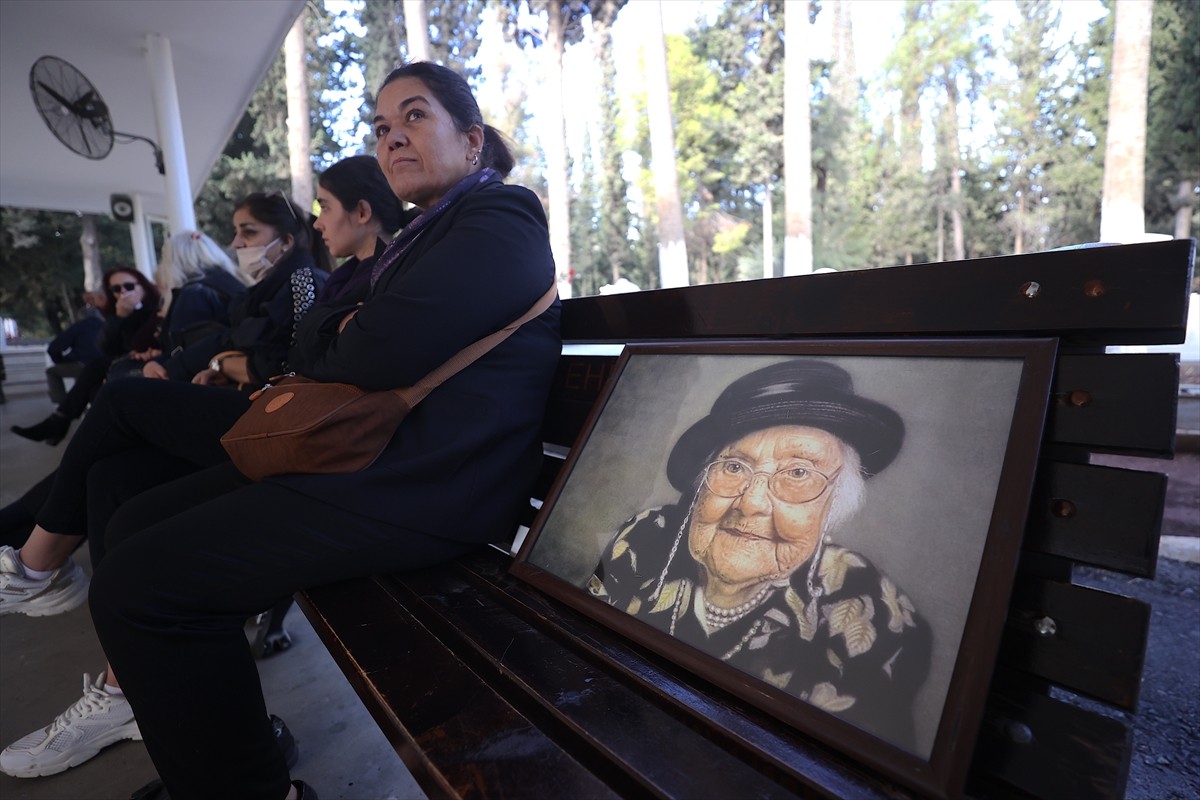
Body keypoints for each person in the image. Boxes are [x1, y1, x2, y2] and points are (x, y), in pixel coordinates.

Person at [4, 62, 560, 800]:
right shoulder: (424, 237)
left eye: (415, 117)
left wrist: (350, 332)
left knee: (143, 584)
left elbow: (370, 351)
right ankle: (218, 752)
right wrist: (348, 331)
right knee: (131, 507)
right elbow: (317, 346)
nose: (393, 137)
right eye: (382, 127)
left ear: (473, 139)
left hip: (426, 485)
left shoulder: (504, 216)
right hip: (367, 461)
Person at [589, 360, 931, 751]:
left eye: (798, 473)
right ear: (702, 484)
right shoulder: (646, 536)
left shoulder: (869, 607)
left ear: (835, 505)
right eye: (734, 466)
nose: (751, 503)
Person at [12, 269, 161, 445]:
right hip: (119, 365)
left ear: (142, 286)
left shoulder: (155, 310)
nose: (123, 293)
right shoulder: (118, 315)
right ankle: (83, 437)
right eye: (116, 289)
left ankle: (61, 423)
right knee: (93, 388)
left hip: (148, 363)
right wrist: (119, 317)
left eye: (129, 286)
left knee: (94, 370)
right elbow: (106, 347)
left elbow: (141, 344)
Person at [44, 289, 107, 404]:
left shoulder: (79, 327)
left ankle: (63, 405)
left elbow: (54, 348)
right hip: (106, 365)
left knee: (52, 372)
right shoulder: (108, 325)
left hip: (84, 365)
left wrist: (60, 361)